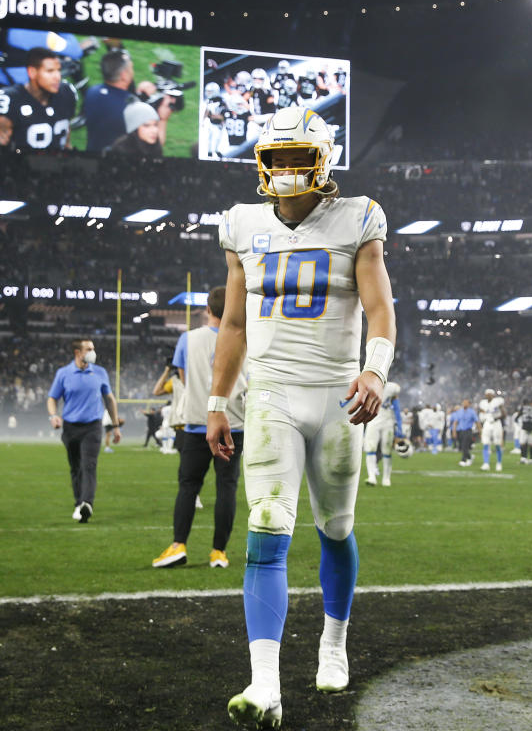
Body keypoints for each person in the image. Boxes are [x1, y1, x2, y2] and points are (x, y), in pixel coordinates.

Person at [206, 106, 396, 727]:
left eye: (297, 157)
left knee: (335, 528)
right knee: (266, 524)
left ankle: (333, 644)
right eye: (276, 157)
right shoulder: (240, 225)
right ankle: (265, 684)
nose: (286, 170)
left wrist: (375, 371)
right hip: (272, 395)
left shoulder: (357, 217)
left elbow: (379, 307)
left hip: (340, 395)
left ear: (323, 160)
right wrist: (216, 402)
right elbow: (232, 324)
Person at [153, 286, 247, 570]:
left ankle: (178, 545)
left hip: (197, 422)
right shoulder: (246, 337)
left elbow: (183, 378)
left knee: (188, 486)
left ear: (208, 310)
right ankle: (219, 552)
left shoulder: (188, 339)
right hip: (234, 422)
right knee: (226, 488)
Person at [47, 339, 122, 523]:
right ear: (77, 352)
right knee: (76, 468)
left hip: (93, 427)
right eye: (89, 349)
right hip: (70, 428)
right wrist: (53, 415)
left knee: (89, 465)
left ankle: (87, 503)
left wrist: (115, 426)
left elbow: (110, 400)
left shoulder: (100, 373)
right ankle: (78, 503)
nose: (93, 352)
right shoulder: (64, 373)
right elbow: (52, 398)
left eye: (93, 348)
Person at [0, 46, 76, 150]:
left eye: (58, 70)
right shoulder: (9, 100)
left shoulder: (67, 92)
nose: (57, 77)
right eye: (50, 71)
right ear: (32, 72)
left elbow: (65, 141)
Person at [84, 48, 172, 152]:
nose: (132, 71)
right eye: (131, 68)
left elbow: (113, 104)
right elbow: (154, 143)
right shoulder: (132, 108)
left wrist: (137, 96)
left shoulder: (91, 92)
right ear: (124, 75)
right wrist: (163, 119)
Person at [363, 381, 402, 487]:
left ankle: (386, 478)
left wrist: (399, 426)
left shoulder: (392, 388)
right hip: (373, 421)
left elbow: (397, 408)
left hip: (387, 422)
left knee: (387, 450)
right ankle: (372, 477)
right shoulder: (369, 385)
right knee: (370, 448)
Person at [477, 388, 505, 472]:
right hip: (487, 423)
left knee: (497, 444)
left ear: (493, 395)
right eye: (487, 394)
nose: (488, 395)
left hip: (496, 423)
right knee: (485, 443)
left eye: (490, 394)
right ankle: (486, 463)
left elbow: (504, 414)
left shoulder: (498, 401)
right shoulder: (483, 403)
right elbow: (482, 412)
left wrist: (501, 410)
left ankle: (499, 463)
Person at [452, 399, 477, 467]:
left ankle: (463, 460)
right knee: (462, 446)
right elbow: (455, 422)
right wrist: (454, 431)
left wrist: (480, 431)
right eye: (463, 403)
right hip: (460, 431)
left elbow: (477, 421)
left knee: (464, 445)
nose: (464, 404)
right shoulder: (459, 412)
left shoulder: (472, 412)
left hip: (468, 430)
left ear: (469, 404)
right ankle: (469, 457)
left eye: (466, 403)